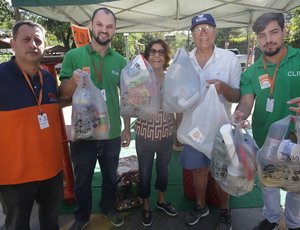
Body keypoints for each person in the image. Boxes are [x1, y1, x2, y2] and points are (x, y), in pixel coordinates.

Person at [59, 7, 131, 230]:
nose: (104, 30)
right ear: (91, 25)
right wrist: (74, 80)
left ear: (114, 30)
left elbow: (128, 100)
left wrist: (127, 129)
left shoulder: (120, 61)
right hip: (84, 134)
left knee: (110, 178)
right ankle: (82, 217)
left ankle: (108, 208)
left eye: (109, 26)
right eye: (99, 24)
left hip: (111, 134)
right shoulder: (74, 56)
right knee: (82, 181)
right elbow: (62, 95)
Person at [232, 12, 300, 230]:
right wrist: (240, 114)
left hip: (297, 138)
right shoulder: (251, 72)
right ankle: (271, 218)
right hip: (266, 138)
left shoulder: (298, 58)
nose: (268, 40)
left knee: (297, 185)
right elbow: (245, 102)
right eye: (262, 35)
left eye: (273, 32)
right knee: (268, 183)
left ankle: (294, 222)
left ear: (283, 32)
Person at [179, 14, 242, 230]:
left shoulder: (229, 59)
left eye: (207, 28)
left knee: (221, 172)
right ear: (192, 34)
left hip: (220, 128)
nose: (203, 33)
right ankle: (201, 205)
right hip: (193, 129)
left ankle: (224, 210)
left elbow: (237, 95)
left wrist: (223, 88)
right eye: (197, 29)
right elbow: (177, 94)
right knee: (198, 170)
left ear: (215, 31)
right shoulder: (184, 60)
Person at [0, 21, 64, 229]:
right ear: (13, 44)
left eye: (38, 40)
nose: (33, 45)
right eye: (26, 40)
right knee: (17, 225)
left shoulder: (49, 79)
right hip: (15, 175)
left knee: (51, 222)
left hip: (52, 171)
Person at [132, 39, 179, 227]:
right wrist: (126, 129)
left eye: (161, 52)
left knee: (163, 170)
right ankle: (146, 207)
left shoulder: (172, 79)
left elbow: (179, 105)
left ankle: (161, 201)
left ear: (166, 56)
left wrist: (179, 129)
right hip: (144, 133)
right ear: (147, 55)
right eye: (153, 51)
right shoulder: (138, 77)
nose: (157, 55)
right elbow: (128, 105)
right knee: (144, 171)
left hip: (167, 132)